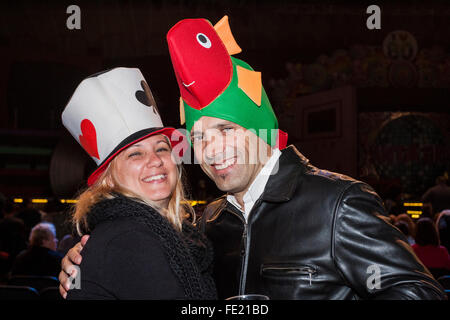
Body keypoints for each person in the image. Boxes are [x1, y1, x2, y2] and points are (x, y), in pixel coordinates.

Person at [60, 16, 446, 300]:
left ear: (264, 132)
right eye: (199, 138)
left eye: (227, 130)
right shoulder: (209, 224)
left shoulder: (336, 204)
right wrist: (84, 266)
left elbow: (418, 293)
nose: (212, 151)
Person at [59, 67, 216, 300]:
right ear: (108, 178)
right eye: (135, 154)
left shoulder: (169, 233)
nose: (155, 161)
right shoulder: (130, 239)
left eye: (162, 149)